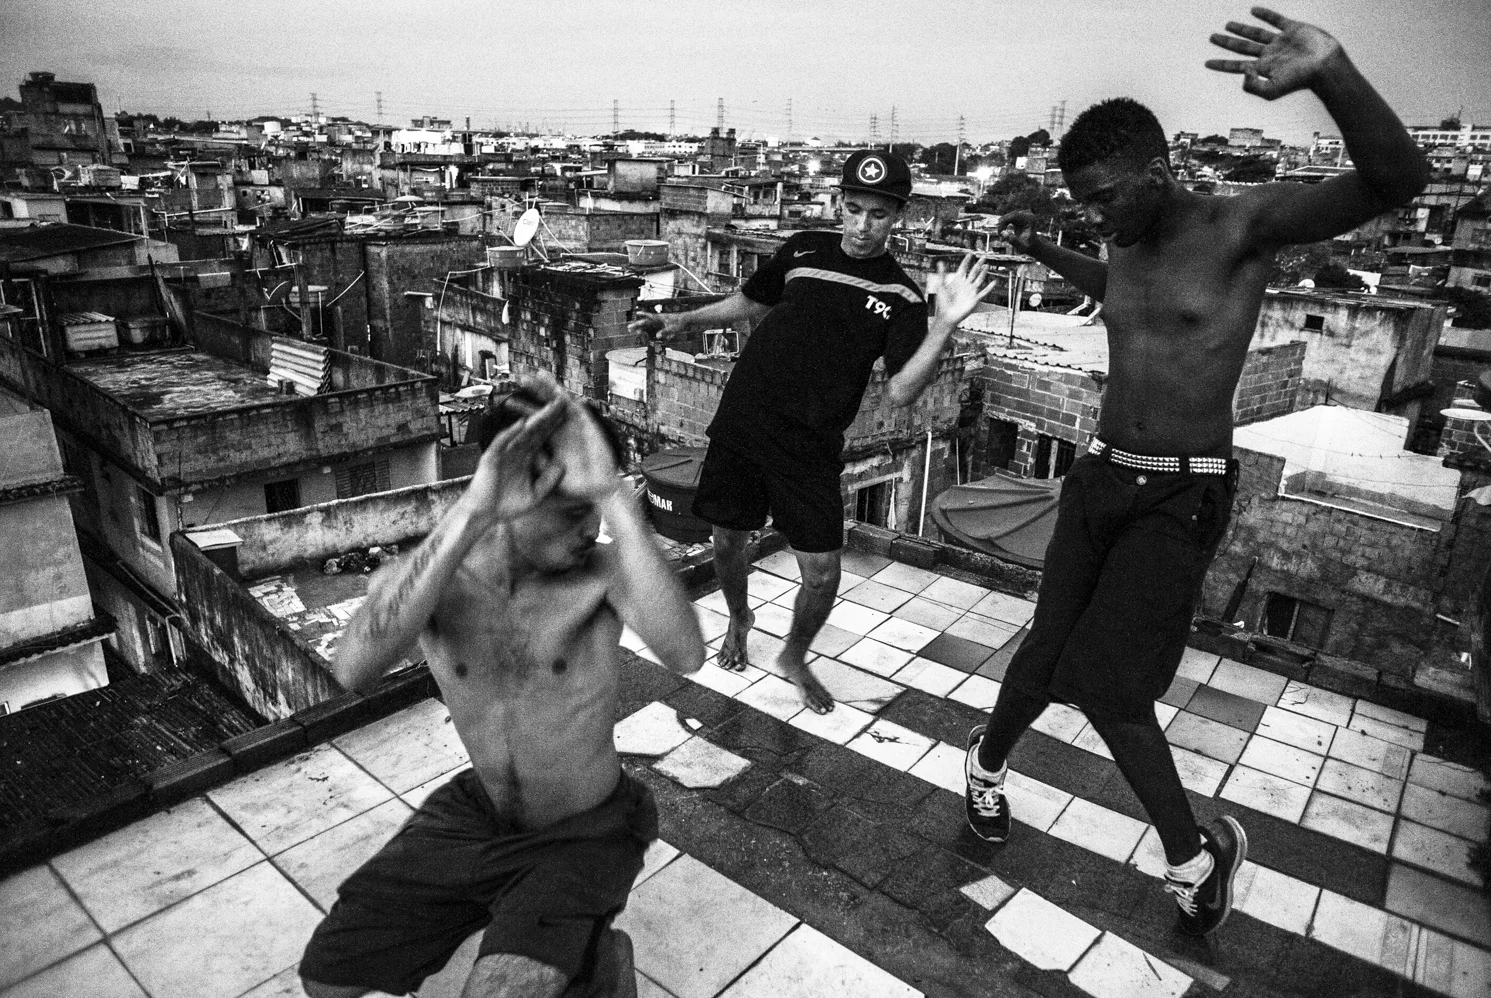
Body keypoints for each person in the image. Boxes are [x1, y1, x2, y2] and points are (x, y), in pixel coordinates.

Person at [963, 6, 1427, 938]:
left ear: (1158, 175)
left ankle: (1193, 856)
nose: (1094, 217)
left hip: (1179, 491)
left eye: (1101, 200)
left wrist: (1332, 73)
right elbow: (1121, 293)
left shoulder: (1238, 228)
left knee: (1109, 684)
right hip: (1099, 478)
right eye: (1081, 206)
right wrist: (1045, 249)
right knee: (1047, 646)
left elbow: (1397, 178)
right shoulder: (1123, 243)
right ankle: (984, 767)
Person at [299, 374, 704, 997]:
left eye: (593, 511)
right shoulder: (436, 581)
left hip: (587, 827)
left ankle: (592, 961)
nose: (589, 530)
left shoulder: (602, 577)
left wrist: (613, 493)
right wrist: (474, 510)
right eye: (574, 512)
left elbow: (686, 654)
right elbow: (353, 668)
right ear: (516, 492)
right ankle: (591, 961)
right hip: (477, 815)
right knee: (328, 980)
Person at [628, 150, 996, 712]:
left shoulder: (899, 296)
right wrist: (684, 319)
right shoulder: (803, 249)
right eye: (853, 209)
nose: (862, 225)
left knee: (822, 573)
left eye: (878, 213)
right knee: (727, 539)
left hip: (810, 446)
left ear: (898, 216)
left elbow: (900, 392)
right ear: (839, 204)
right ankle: (739, 617)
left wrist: (944, 322)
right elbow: (749, 301)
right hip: (745, 422)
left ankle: (794, 656)